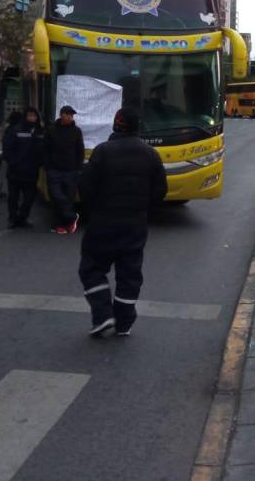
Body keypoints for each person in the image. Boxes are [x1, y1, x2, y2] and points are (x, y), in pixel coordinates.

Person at [78, 108, 167, 337]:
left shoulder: (102, 152)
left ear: (117, 124)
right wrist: (143, 212)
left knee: (91, 268)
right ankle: (124, 323)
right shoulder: (151, 154)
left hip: (102, 224)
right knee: (129, 274)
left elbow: (85, 187)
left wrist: (91, 212)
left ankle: (102, 314)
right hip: (135, 226)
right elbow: (160, 191)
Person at [46, 104, 86, 235]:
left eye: (71, 115)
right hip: (54, 170)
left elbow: (80, 150)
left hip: (71, 170)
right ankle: (71, 217)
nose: (70, 117)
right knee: (57, 196)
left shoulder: (76, 131)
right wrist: (47, 165)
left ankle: (63, 225)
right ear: (61, 115)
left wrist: (78, 168)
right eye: (67, 114)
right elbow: (45, 149)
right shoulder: (51, 130)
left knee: (68, 198)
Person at [3, 107, 44, 229]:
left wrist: (40, 163)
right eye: (29, 116)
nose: (31, 118)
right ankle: (12, 218)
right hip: (16, 171)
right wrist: (13, 163)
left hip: (31, 172)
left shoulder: (40, 132)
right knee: (13, 198)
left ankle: (23, 218)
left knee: (29, 198)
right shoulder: (15, 130)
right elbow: (7, 149)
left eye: (34, 116)